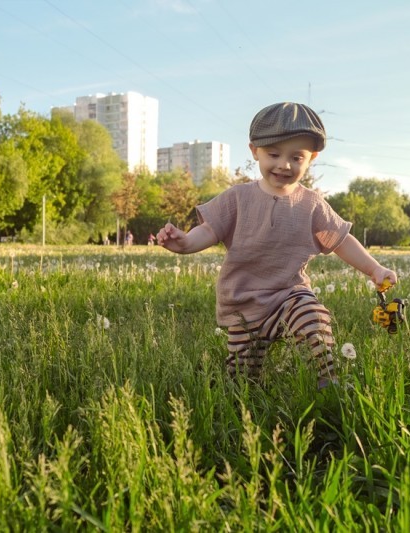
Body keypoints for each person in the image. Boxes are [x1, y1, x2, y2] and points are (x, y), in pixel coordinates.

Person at [156, 102, 397, 388]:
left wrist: (373, 268)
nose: (284, 164)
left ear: (312, 158)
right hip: (244, 304)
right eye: (274, 154)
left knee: (314, 319)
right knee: (242, 381)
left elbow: (341, 240)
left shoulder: (312, 204)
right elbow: (209, 230)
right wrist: (184, 243)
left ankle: (326, 381)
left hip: (290, 295)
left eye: (297, 157)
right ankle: (246, 386)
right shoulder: (237, 197)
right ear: (254, 150)